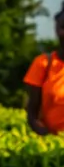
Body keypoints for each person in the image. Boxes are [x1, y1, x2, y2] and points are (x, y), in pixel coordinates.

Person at [24, 7, 64, 136]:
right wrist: (46, 136)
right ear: (57, 30)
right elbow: (32, 114)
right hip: (54, 143)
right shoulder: (43, 63)